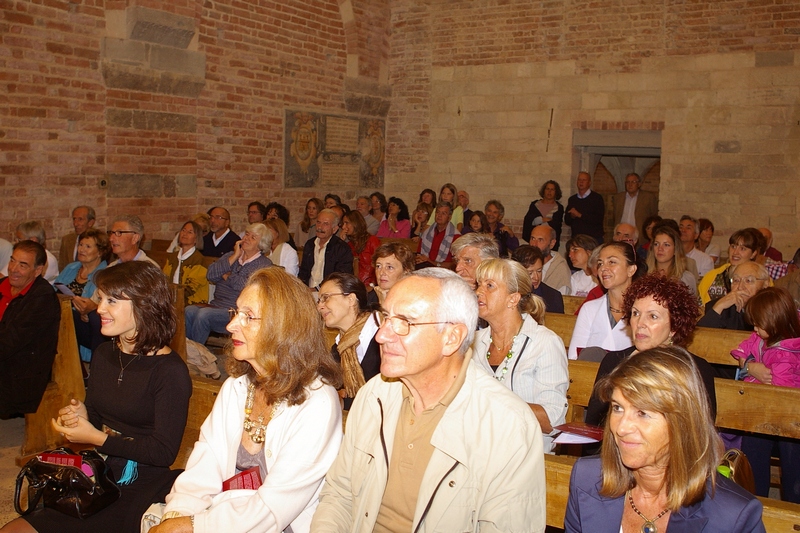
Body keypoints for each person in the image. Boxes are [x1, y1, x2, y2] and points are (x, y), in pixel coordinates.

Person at [310, 269, 546, 532]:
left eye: (405, 322)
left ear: (451, 338)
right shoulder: (374, 396)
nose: (382, 335)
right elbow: (339, 494)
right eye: (386, 318)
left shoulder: (507, 424)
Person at [2, 261, 192, 533]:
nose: (100, 308)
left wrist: (96, 438)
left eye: (111, 301)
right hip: (99, 469)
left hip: (140, 481)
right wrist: (81, 415)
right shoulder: (104, 353)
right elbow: (97, 414)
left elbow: (162, 452)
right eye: (101, 298)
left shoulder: (170, 371)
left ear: (143, 305)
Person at [149, 268, 342, 533]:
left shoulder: (318, 402)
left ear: (284, 326)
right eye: (235, 312)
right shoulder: (236, 388)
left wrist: (195, 525)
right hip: (222, 518)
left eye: (248, 316)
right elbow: (205, 464)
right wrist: (176, 513)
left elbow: (274, 507)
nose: (230, 326)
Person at [565, 346, 765, 533]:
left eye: (642, 412)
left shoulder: (733, 516)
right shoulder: (586, 479)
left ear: (682, 421)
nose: (621, 427)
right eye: (617, 408)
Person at [585, 274, 716, 427]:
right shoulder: (614, 362)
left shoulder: (696, 369)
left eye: (653, 316)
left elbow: (700, 433)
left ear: (674, 326)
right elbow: (594, 425)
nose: (640, 323)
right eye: (635, 313)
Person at [473, 258, 568, 452]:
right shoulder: (474, 342)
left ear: (513, 298)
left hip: (524, 453)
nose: (478, 292)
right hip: (477, 449)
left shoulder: (544, 343)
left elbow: (552, 420)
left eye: (489, 286)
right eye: (478, 284)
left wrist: (495, 401)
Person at [733, 287, 800, 502]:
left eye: (758, 325)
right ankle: (754, 499)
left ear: (775, 322)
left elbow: (778, 389)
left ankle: (793, 508)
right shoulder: (763, 336)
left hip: (791, 414)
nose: (754, 328)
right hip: (763, 409)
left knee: (793, 458)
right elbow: (742, 350)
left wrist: (750, 369)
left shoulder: (788, 352)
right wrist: (750, 366)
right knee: (754, 443)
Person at [0, 241, 60, 419]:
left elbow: (10, 342)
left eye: (23, 265)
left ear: (38, 270)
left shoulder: (41, 297)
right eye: (12, 261)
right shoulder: (3, 284)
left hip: (21, 371)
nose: (13, 269)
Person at [185, 224, 273, 345]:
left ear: (261, 245)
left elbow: (244, 286)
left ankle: (196, 356)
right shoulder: (231, 256)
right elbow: (210, 274)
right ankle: (189, 352)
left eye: (253, 237)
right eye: (247, 234)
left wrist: (226, 275)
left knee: (203, 315)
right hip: (216, 305)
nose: (247, 238)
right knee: (189, 311)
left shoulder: (263, 265)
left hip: (236, 312)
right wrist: (235, 256)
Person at [317, 273, 380, 410]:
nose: (320, 307)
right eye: (319, 300)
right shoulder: (339, 348)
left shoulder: (383, 335)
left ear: (351, 299)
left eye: (326, 298)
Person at [568, 242, 640, 359]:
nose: (603, 269)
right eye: (600, 263)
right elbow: (574, 357)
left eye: (612, 262)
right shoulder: (589, 308)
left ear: (631, 269)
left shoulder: (644, 311)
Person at [54, 228, 110, 361]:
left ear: (100, 252)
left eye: (88, 246)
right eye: (80, 245)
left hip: (86, 325)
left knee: (69, 315)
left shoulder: (105, 274)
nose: (81, 249)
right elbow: (54, 290)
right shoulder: (71, 268)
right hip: (61, 319)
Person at [698, 261, 770, 331]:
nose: (740, 287)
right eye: (736, 280)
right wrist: (718, 307)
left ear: (765, 284)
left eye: (748, 280)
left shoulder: (774, 309)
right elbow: (700, 338)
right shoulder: (719, 307)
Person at [699, 227, 762, 305]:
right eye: (733, 246)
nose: (735, 252)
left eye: (742, 249)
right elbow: (700, 308)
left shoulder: (761, 278)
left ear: (753, 254)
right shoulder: (712, 276)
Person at [298, 209, 354, 289]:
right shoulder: (310, 244)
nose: (320, 227)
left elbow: (340, 278)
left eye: (325, 224)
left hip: (330, 292)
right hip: (308, 291)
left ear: (334, 229)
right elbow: (303, 272)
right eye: (318, 222)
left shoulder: (341, 248)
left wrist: (317, 289)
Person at [162, 220, 209, 306]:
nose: (185, 234)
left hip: (192, 303)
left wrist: (172, 298)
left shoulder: (199, 260)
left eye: (190, 232)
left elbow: (191, 288)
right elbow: (164, 278)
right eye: (183, 230)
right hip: (172, 299)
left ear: (196, 238)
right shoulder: (172, 257)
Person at [511, 245, 565, 313]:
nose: (536, 277)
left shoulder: (553, 297)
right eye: (530, 273)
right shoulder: (507, 294)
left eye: (539, 271)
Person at [646, 224, 697, 294]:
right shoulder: (644, 275)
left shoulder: (686, 278)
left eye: (666, 245)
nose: (660, 249)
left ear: (676, 250)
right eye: (656, 244)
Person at [565, 171, 605, 244]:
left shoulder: (597, 198)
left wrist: (580, 215)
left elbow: (598, 219)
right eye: (579, 180)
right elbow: (567, 220)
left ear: (589, 183)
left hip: (593, 239)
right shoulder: (572, 199)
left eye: (584, 180)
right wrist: (572, 216)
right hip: (577, 238)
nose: (581, 182)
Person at [341, 211, 381, 286]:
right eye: (343, 224)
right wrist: (341, 243)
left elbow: (379, 264)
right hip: (354, 284)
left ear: (355, 223)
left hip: (371, 285)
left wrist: (372, 285)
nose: (343, 227)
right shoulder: (348, 245)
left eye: (346, 223)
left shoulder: (372, 240)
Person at [529, 224, 571, 294]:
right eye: (532, 238)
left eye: (540, 240)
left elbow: (560, 299)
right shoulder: (523, 262)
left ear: (552, 243)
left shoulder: (560, 269)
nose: (534, 244)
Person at [523, 180, 565, 250]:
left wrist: (538, 221)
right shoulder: (535, 205)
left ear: (556, 192)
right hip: (535, 243)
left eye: (552, 189)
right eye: (547, 189)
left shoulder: (559, 208)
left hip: (549, 245)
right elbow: (528, 222)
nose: (549, 191)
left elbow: (556, 226)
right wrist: (542, 220)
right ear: (544, 191)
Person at [415, 201, 459, 269]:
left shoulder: (455, 236)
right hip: (425, 269)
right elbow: (419, 255)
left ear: (449, 217)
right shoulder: (427, 233)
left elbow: (455, 264)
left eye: (443, 213)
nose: (439, 215)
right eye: (438, 212)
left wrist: (431, 262)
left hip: (444, 273)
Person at [58, 205, 96, 269]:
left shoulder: (99, 240)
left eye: (80, 219)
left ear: (90, 222)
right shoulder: (66, 240)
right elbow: (62, 267)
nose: (75, 223)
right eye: (74, 219)